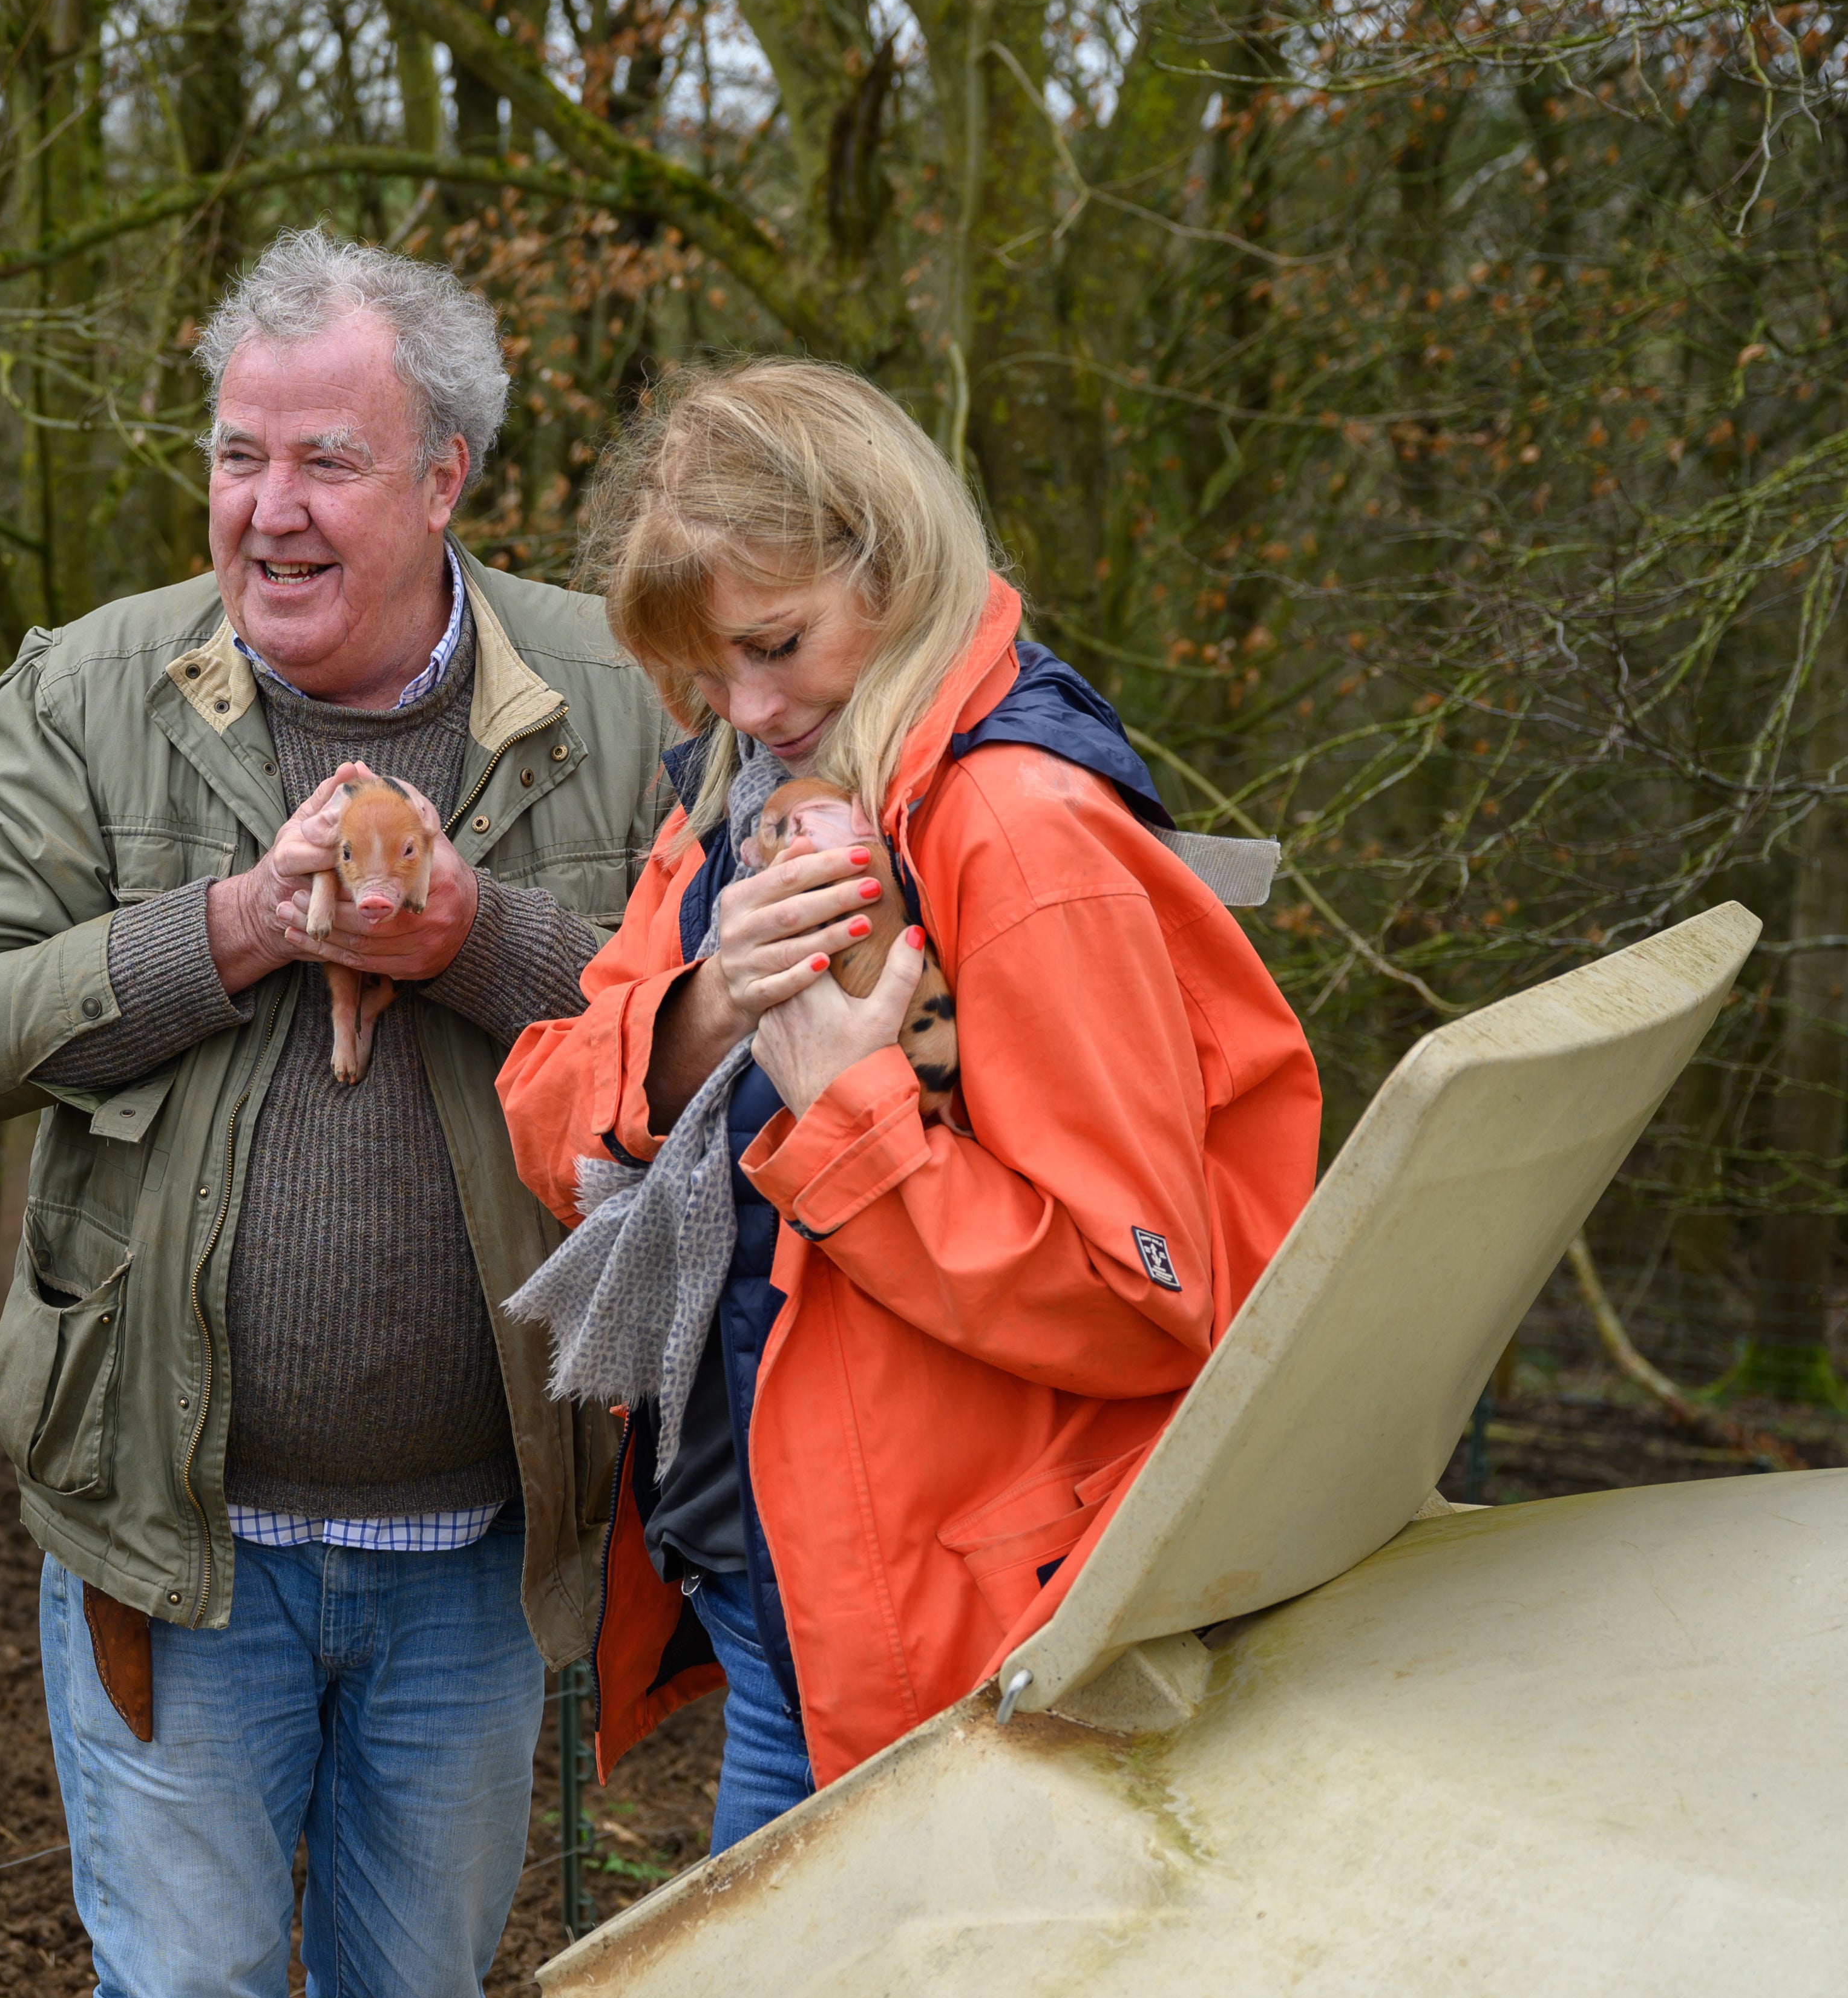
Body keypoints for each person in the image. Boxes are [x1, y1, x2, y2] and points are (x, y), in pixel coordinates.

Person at [0, 229, 679, 1998]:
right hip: (173, 1540)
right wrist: (240, 924)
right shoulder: (93, 690)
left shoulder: (619, 694)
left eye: (326, 462)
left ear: (444, 479)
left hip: (481, 1547)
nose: (269, 511)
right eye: (240, 455)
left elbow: (709, 1024)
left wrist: (476, 939)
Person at [494, 358, 1320, 1850]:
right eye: (708, 675)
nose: (747, 705)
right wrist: (704, 1011)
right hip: (783, 1598)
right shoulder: (755, 793)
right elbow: (549, 1109)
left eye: (776, 643)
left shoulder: (1019, 829)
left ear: (892, 563)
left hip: (965, 1641)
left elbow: (1149, 1296)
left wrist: (853, 1117)